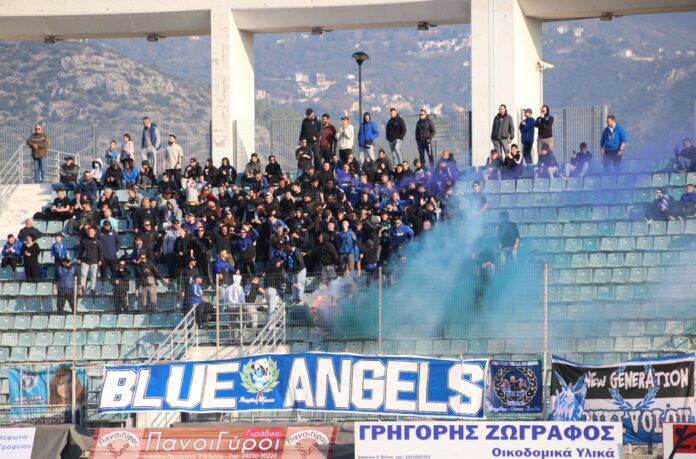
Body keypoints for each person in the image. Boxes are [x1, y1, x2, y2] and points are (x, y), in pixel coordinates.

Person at [77, 226, 103, 294]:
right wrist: (79, 258)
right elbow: (81, 250)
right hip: (85, 260)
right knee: (83, 275)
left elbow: (101, 251)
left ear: (94, 232)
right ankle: (82, 288)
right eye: (89, 231)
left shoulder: (98, 241)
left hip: (94, 261)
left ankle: (92, 289)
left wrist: (100, 260)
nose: (90, 233)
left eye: (92, 232)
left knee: (93, 276)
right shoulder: (84, 240)